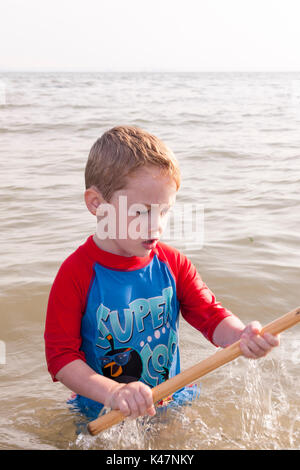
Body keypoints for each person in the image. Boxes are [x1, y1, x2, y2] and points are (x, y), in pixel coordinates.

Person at [44, 126, 279, 420]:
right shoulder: (76, 274)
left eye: (164, 211)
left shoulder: (173, 264)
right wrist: (113, 393)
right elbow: (61, 358)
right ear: (97, 205)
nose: (156, 225)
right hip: (104, 412)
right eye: (141, 212)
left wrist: (240, 336)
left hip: (172, 401)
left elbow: (210, 315)